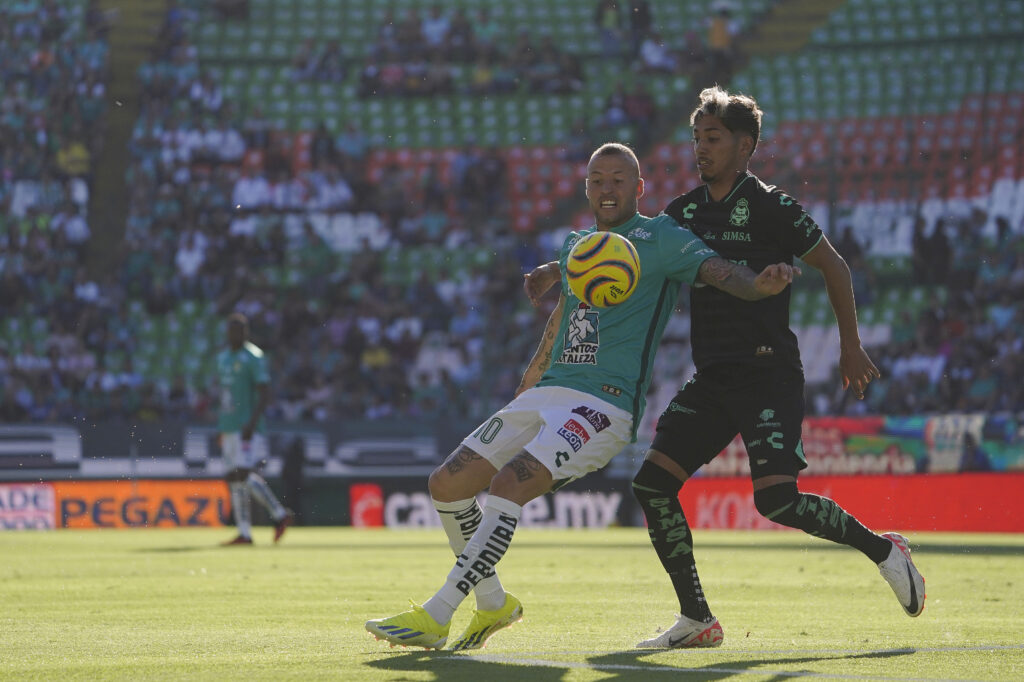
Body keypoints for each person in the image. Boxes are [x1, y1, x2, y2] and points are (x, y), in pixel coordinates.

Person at [526, 86, 926, 649]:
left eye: (712, 138)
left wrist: (850, 345)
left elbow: (833, 266)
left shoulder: (773, 206)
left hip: (767, 372)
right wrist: (552, 268)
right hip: (713, 377)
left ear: (745, 145)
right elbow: (622, 244)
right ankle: (697, 619)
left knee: (776, 500)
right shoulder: (682, 212)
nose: (700, 148)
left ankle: (885, 550)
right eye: (695, 138)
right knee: (653, 485)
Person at [364, 142, 799, 650]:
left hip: (605, 406)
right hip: (547, 394)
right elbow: (560, 323)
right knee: (447, 483)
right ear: (586, 187)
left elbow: (720, 272)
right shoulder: (579, 247)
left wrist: (759, 285)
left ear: (638, 188)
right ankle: (492, 604)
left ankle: (437, 614)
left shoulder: (662, 238)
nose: (607, 188)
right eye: (597, 180)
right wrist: (527, 388)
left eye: (618, 179)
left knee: (508, 485)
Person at [217, 313, 293, 545]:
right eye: (230, 330)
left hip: (246, 427)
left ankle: (279, 514)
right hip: (229, 426)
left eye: (238, 330)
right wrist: (222, 428)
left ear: (245, 332)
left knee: (244, 474)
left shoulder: (254, 357)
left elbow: (264, 392)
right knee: (233, 478)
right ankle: (244, 533)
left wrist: (252, 422)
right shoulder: (222, 358)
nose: (233, 335)